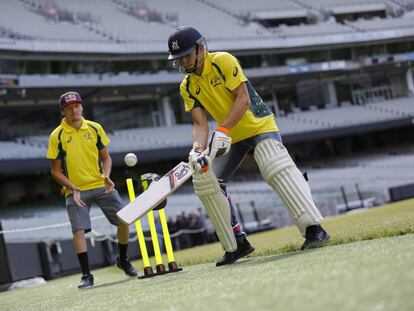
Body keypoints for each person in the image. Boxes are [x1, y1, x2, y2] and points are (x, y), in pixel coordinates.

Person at [167, 26, 330, 266]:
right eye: (178, 59)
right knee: (206, 179)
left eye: (187, 56)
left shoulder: (222, 61)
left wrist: (222, 130)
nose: (183, 62)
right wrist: (196, 150)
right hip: (230, 136)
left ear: (201, 48)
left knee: (274, 164)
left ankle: (314, 230)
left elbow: (242, 100)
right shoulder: (188, 86)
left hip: (257, 126)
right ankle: (236, 243)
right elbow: (200, 125)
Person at [47, 91, 137, 289]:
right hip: (75, 191)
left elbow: (106, 158)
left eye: (77, 107)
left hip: (101, 185)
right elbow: (55, 171)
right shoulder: (57, 136)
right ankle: (87, 275)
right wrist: (73, 187)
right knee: (78, 231)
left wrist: (106, 175)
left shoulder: (95, 128)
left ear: (82, 107)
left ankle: (123, 260)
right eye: (69, 109)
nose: (74, 111)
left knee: (124, 219)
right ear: (63, 112)